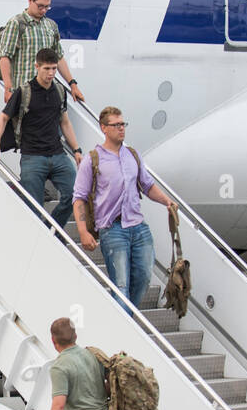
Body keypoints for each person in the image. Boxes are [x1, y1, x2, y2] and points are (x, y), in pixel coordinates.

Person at [73, 106, 175, 310]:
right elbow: (79, 198)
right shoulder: (92, 160)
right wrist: (83, 232)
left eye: (123, 124)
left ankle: (128, 319)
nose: (121, 129)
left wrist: (167, 201)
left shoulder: (132, 155)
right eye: (116, 125)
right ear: (104, 128)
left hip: (138, 226)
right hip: (113, 230)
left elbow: (147, 185)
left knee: (144, 277)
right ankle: (128, 329)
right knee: (120, 285)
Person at [0, 48, 83, 228]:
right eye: (47, 69)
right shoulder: (24, 91)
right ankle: (42, 235)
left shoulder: (60, 90)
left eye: (54, 68)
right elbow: (3, 118)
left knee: (74, 194)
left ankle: (51, 231)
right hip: (32, 156)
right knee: (33, 207)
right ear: (37, 66)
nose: (51, 73)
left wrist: (76, 150)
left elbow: (65, 122)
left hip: (57, 154)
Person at [0, 0, 85, 104]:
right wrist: (8, 89)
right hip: (24, 93)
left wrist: (72, 83)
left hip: (46, 94)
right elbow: (5, 57)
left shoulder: (51, 26)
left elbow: (58, 57)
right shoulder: (16, 23)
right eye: (40, 6)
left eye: (47, 7)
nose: (43, 10)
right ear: (30, 0)